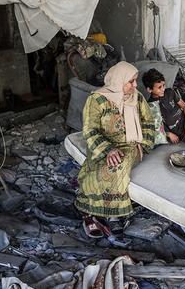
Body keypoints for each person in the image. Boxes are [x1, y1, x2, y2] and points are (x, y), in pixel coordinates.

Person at [75, 61, 155, 237]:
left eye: (135, 81)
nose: (135, 85)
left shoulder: (137, 97)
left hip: (131, 145)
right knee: (97, 168)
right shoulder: (96, 99)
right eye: (131, 81)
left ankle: (113, 216)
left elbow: (148, 122)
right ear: (119, 80)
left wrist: (144, 145)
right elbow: (90, 130)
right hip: (103, 145)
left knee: (117, 165)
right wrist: (108, 149)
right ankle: (95, 211)